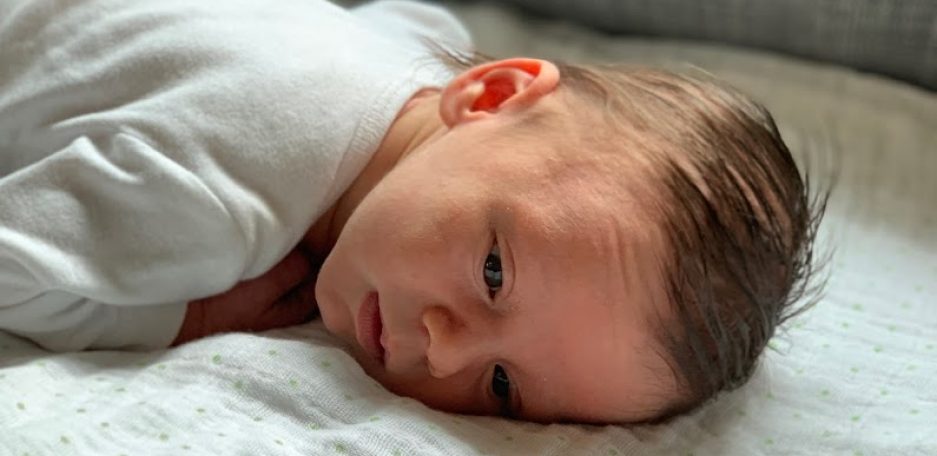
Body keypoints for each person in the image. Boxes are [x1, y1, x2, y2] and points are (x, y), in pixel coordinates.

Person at [0, 0, 825, 424]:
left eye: (501, 388)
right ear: (490, 93)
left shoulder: (419, 66)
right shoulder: (213, 204)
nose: (442, 347)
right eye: (493, 272)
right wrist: (184, 317)